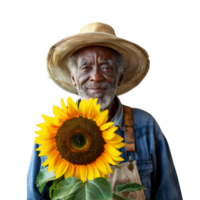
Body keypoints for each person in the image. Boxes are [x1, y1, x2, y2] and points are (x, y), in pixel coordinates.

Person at [25, 21, 184, 200]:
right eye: (86, 67)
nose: (96, 77)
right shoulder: (51, 131)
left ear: (120, 77)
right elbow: (33, 196)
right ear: (73, 78)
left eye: (106, 67)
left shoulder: (146, 126)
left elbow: (170, 196)